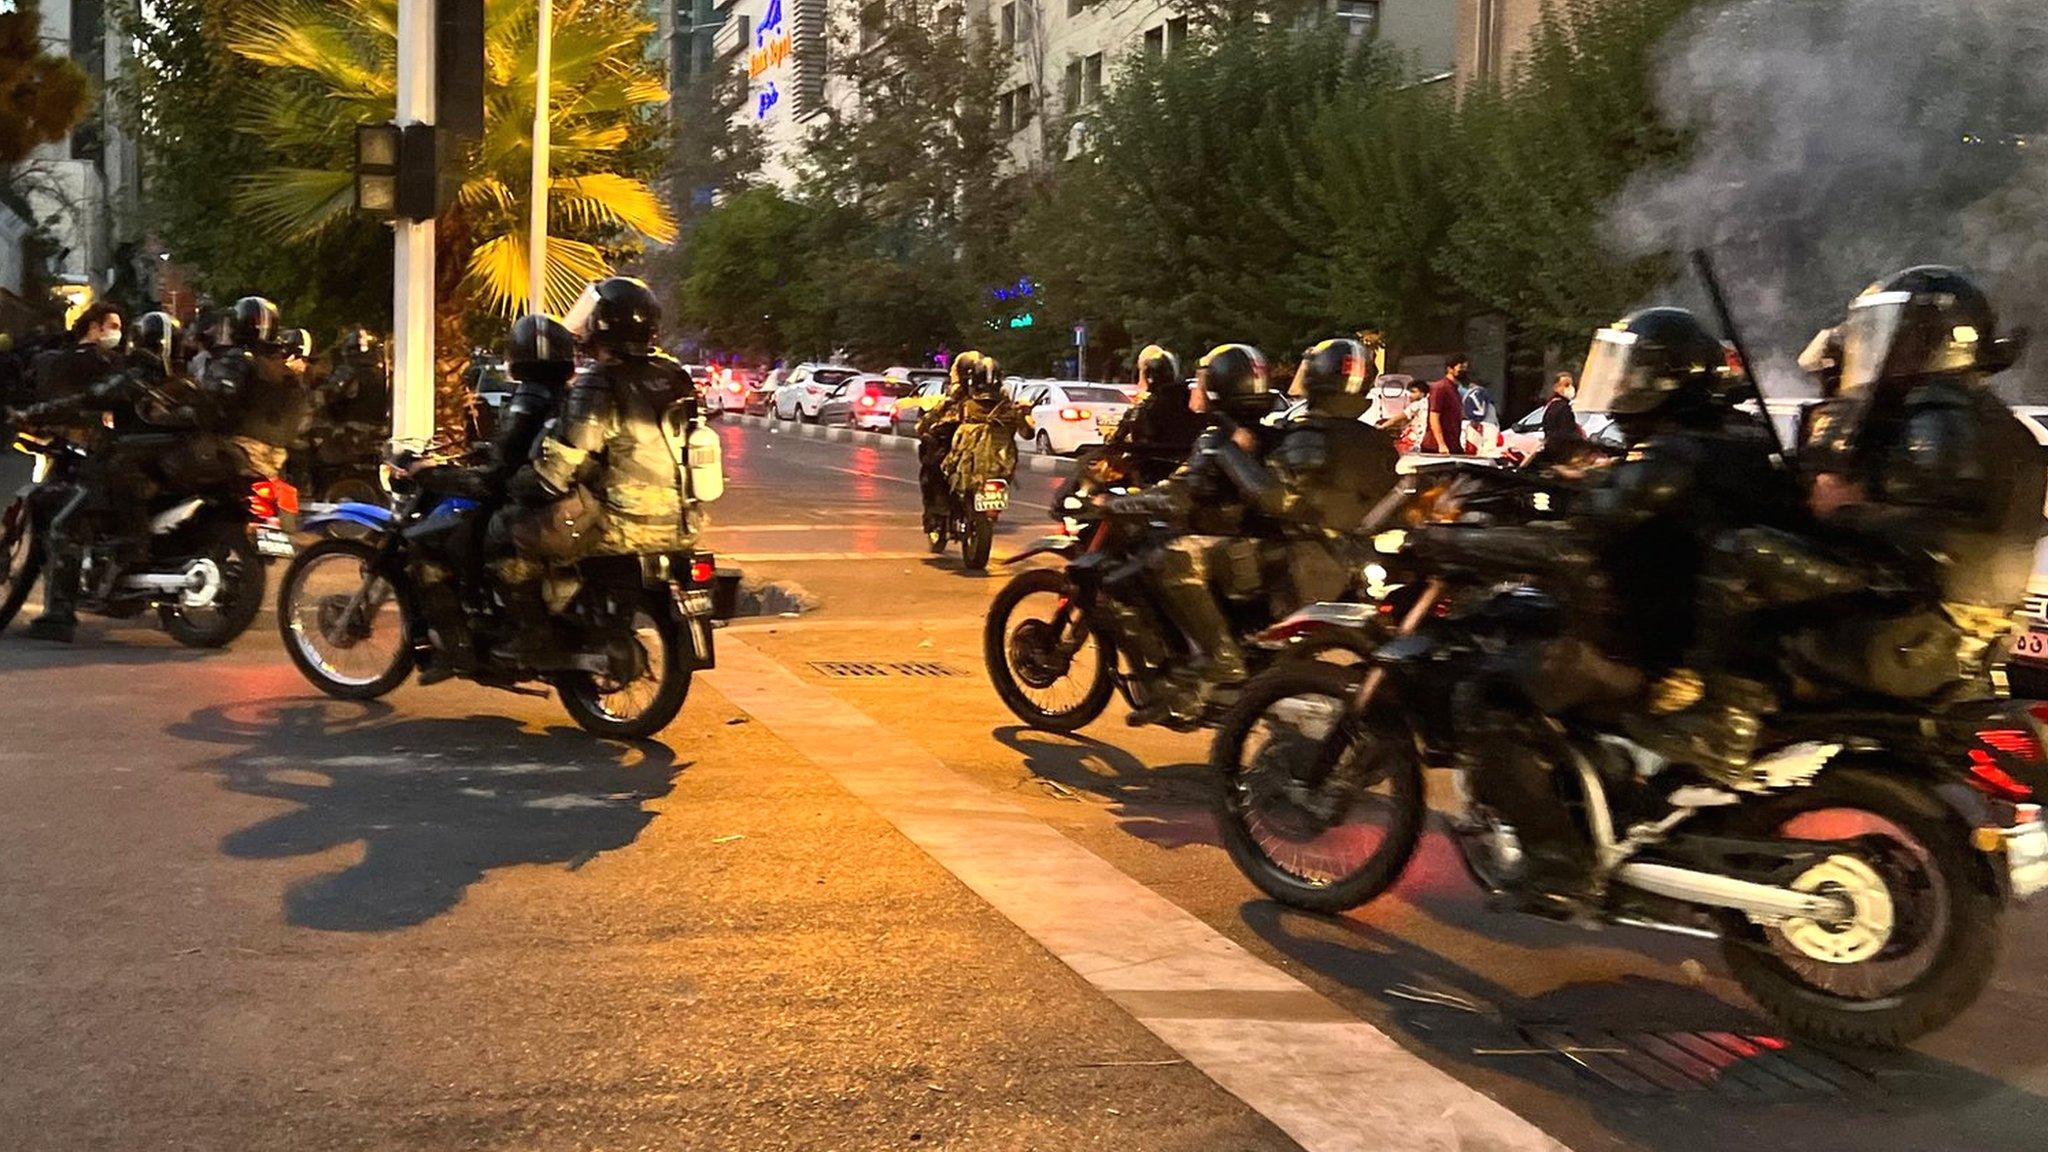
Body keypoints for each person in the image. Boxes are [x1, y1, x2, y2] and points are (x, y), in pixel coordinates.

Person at [1646, 267, 2044, 777]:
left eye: (1894, 333)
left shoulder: (1933, 423)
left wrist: (1838, 509)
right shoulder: (2002, 426)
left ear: (1927, 339)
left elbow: (1906, 538)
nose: (1880, 348)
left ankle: (1725, 726)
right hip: (1972, 641)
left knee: (1742, 554)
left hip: (1910, 634)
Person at [488, 278, 699, 665]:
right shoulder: (674, 377)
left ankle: (531, 635)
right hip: (683, 521)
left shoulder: (600, 383)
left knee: (504, 531)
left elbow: (562, 462)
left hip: (619, 522)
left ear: (603, 325)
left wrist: (514, 484)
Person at [1104, 344, 1290, 721]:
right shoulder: (1273, 427)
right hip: (1262, 549)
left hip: (1224, 547)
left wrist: (1113, 506)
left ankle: (1203, 672)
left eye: (1202, 381)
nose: (1194, 388)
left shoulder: (1217, 437)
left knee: (1143, 572)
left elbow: (1176, 497)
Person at [5, 312, 196, 642]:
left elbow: (86, 399)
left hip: (118, 466)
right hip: (164, 473)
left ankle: (59, 617)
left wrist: (29, 414)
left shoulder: (131, 377)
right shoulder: (184, 384)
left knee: (64, 525)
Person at [197, 296, 310, 481]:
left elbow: (214, 399)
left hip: (240, 452)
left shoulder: (235, 361)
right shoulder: (282, 366)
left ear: (237, 325)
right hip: (277, 456)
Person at [1095, 344, 1208, 485]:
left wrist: (1115, 444)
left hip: (1147, 476)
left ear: (1149, 377)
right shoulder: (1190, 402)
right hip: (1183, 475)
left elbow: (1127, 438)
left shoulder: (1149, 406)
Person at [916, 351, 982, 539]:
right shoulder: (997, 392)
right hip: (980, 447)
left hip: (957, 440)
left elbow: (942, 411)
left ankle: (938, 509)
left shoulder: (957, 392)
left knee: (932, 467)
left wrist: (927, 424)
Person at [1421, 353, 1469, 454]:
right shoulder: (1440, 388)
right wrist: (1441, 444)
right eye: (1460, 367)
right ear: (1450, 369)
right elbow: (1434, 417)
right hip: (1436, 448)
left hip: (1453, 445)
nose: (1464, 371)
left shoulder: (1456, 390)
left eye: (1465, 367)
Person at [1461, 371, 1501, 456]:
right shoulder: (1478, 393)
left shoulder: (1470, 394)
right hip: (1485, 429)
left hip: (1480, 428)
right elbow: (1478, 414)